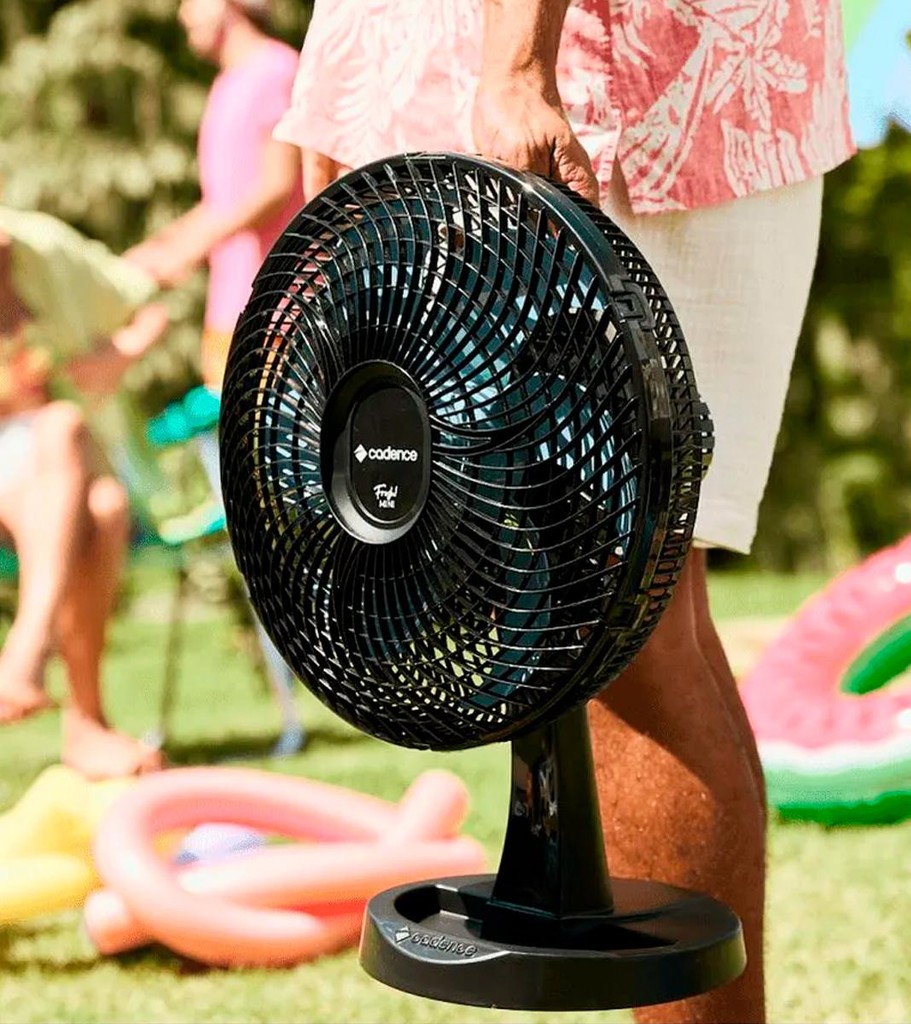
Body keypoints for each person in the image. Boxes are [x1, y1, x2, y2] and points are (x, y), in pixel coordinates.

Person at [274, 2, 855, 1022]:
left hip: (611, 101)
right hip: (443, 84)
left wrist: (516, 68)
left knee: (619, 620)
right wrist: (343, 74)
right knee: (632, 615)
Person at [127, 0, 307, 755]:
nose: (180, 15)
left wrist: (179, 248)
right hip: (224, 322)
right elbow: (221, 204)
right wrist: (159, 252)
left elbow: (274, 185)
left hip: (277, 314)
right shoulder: (228, 86)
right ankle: (282, 698)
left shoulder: (276, 71)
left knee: (281, 515)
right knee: (238, 520)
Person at [0, 224, 168, 779]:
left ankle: (35, 656)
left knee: (106, 503)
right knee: (66, 433)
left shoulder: (42, 249)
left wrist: (119, 355)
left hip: (55, 464)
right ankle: (81, 714)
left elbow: (149, 302)